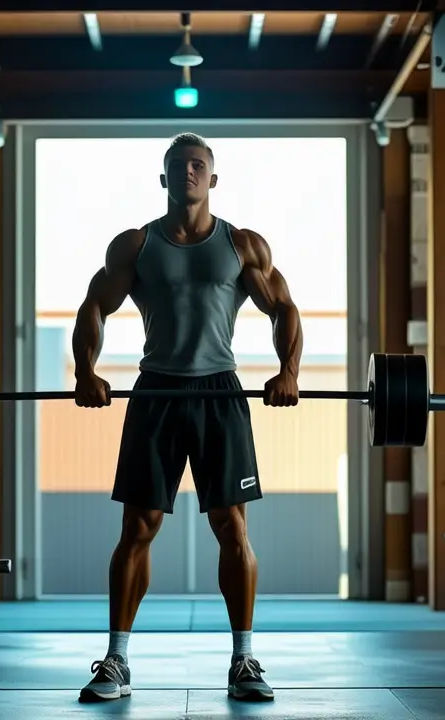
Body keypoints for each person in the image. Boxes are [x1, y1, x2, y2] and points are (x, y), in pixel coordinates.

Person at [70, 132, 303, 704]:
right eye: (179, 166)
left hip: (220, 393)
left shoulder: (242, 245)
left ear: (213, 179)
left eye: (199, 165)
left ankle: (244, 659)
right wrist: (85, 371)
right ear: (165, 178)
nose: (190, 172)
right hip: (158, 393)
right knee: (139, 528)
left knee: (232, 527)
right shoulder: (136, 244)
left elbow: (284, 307)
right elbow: (95, 304)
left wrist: (288, 370)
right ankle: (116, 662)